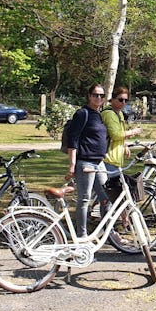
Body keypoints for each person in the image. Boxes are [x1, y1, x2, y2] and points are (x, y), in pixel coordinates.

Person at [65, 84, 109, 238]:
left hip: (99, 162)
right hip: (85, 163)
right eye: (96, 95)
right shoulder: (82, 113)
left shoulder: (98, 114)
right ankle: (81, 235)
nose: (98, 98)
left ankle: (107, 232)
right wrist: (72, 164)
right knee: (84, 199)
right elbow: (73, 139)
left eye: (101, 96)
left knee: (106, 198)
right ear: (89, 96)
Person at [101, 86, 143, 175]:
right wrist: (133, 132)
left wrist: (124, 145)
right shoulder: (109, 114)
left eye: (125, 100)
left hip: (115, 159)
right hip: (108, 159)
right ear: (112, 99)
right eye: (120, 100)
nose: (123, 103)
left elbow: (118, 133)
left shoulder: (119, 113)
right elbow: (115, 135)